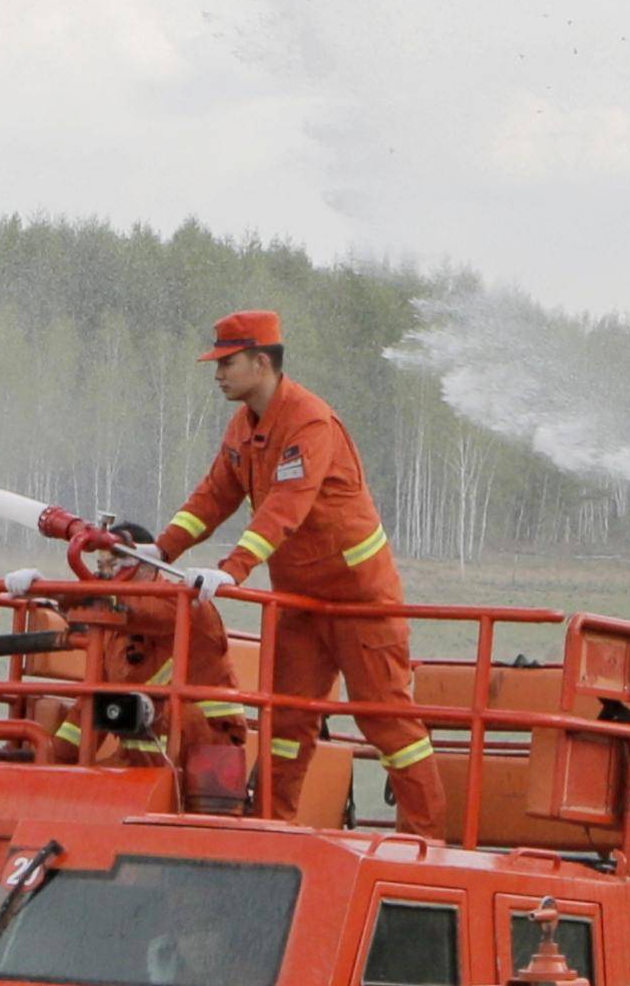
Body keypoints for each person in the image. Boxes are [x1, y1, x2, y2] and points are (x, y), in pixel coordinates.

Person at [157, 311, 454, 837]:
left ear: (262, 361)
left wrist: (233, 570)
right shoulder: (243, 428)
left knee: (388, 722)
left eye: (227, 363)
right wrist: (158, 551)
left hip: (361, 601)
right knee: (285, 724)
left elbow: (286, 507)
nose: (218, 374)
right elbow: (213, 498)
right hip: (298, 603)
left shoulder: (309, 422)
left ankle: (424, 840)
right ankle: (272, 830)